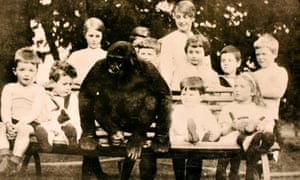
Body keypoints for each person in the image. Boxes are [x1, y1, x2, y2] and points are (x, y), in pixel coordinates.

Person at [217, 72, 275, 180]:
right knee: (243, 141)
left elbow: (269, 123)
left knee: (258, 137)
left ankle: (250, 170)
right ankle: (244, 172)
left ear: (252, 92)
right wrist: (231, 126)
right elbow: (222, 131)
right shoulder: (228, 108)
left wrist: (262, 126)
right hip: (231, 141)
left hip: (252, 141)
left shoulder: (258, 109)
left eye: (242, 86)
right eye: (235, 86)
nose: (237, 89)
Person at [0, 47, 48, 176]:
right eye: (22, 70)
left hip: (30, 123)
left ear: (36, 72)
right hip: (12, 121)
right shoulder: (10, 88)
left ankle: (14, 161)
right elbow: (5, 107)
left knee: (24, 130)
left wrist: (19, 125)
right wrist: (8, 124)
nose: (26, 74)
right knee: (0, 126)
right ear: (15, 71)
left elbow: (35, 111)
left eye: (31, 70)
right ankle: (4, 157)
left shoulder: (38, 90)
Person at [170, 76, 221, 180]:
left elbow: (214, 126)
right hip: (179, 141)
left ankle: (192, 136)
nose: (187, 97)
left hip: (198, 143)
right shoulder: (176, 110)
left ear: (201, 97)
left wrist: (215, 134)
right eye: (184, 94)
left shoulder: (203, 110)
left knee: (196, 153)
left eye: (191, 94)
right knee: (178, 154)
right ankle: (179, 178)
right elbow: (171, 127)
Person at [34, 61, 82, 152]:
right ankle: (46, 143)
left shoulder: (72, 98)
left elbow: (76, 117)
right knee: (46, 128)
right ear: (53, 83)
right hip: (53, 125)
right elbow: (44, 117)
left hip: (68, 125)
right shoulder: (46, 97)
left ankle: (71, 139)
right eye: (64, 84)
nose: (68, 88)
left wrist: (66, 119)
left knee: (75, 128)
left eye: (70, 84)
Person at [252, 34, 288, 131]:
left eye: (264, 54)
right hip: (252, 117)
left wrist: (254, 91)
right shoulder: (254, 74)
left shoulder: (279, 71)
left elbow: (278, 92)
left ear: (274, 54)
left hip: (270, 118)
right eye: (258, 55)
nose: (260, 58)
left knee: (266, 135)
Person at [158, 0, 196, 88]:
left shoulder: (196, 39)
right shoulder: (169, 40)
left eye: (185, 17)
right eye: (178, 17)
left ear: (192, 18)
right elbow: (166, 69)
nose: (181, 21)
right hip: (177, 88)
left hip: (196, 87)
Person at [67, 17, 107, 87]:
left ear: (102, 36)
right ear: (85, 35)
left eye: (97, 36)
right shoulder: (76, 56)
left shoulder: (106, 56)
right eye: (91, 36)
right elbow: (67, 77)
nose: (94, 39)